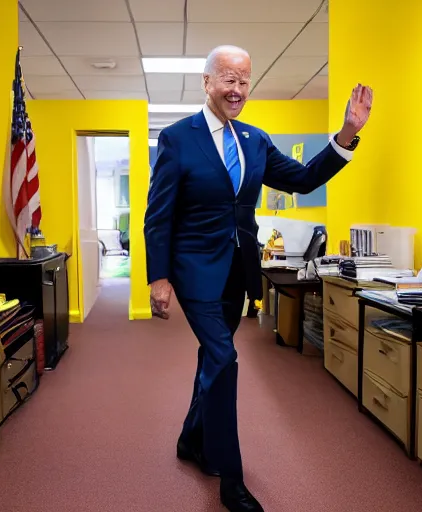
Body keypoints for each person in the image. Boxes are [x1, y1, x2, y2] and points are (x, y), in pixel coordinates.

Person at [144, 45, 373, 512]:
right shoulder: (177, 139)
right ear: (207, 83)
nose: (237, 89)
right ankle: (231, 478)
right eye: (228, 78)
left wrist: (348, 133)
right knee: (224, 359)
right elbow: (158, 216)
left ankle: (190, 438)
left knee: (213, 357)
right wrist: (158, 277)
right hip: (194, 270)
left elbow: (306, 178)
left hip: (238, 269)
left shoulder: (254, 139)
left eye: (245, 80)